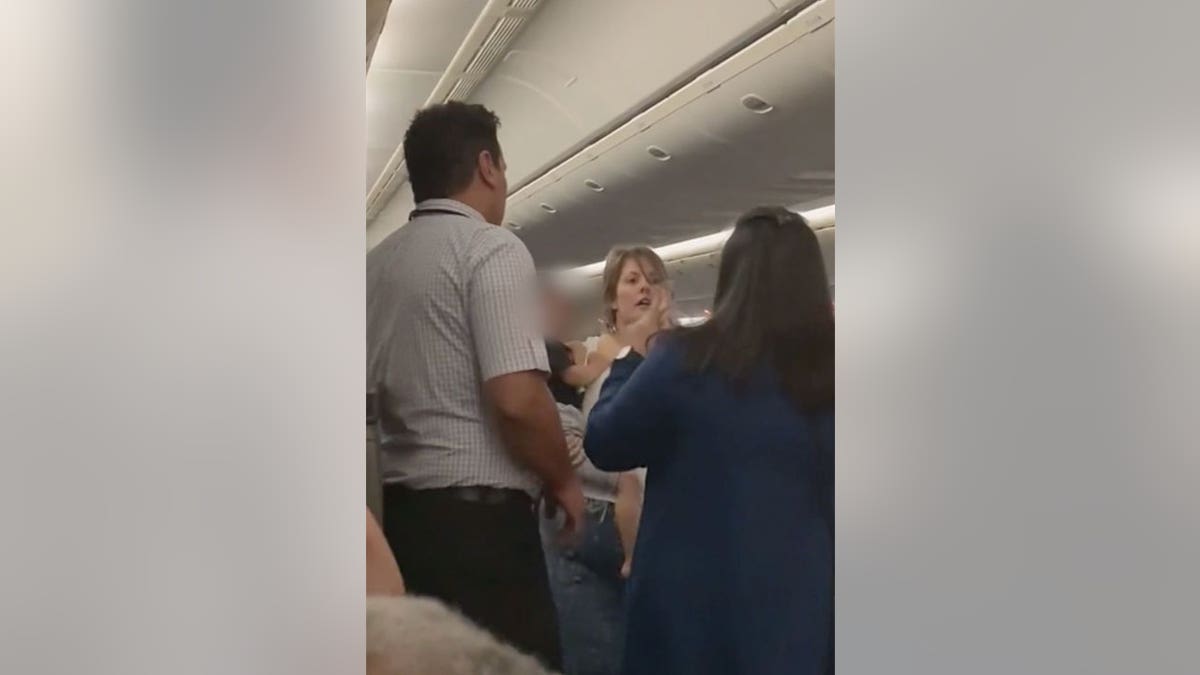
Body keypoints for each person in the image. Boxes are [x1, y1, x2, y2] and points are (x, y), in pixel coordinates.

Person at [366, 101, 584, 670]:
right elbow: (516, 399)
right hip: (482, 534)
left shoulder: (375, 265)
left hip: (396, 526)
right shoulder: (491, 247)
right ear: (487, 166)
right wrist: (562, 479)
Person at [585, 206, 835, 675]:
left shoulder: (684, 360)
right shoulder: (834, 376)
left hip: (685, 612)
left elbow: (605, 440)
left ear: (730, 280)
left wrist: (627, 359)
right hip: (797, 611)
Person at [538, 246, 668, 675]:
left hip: (656, 524)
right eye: (632, 280)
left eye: (652, 278)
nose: (644, 286)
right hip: (591, 519)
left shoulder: (684, 356)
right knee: (597, 657)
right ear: (612, 298)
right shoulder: (592, 358)